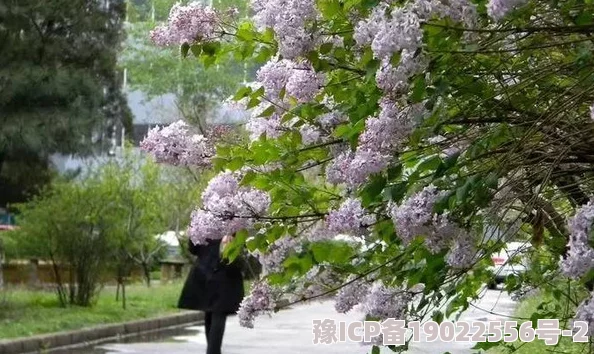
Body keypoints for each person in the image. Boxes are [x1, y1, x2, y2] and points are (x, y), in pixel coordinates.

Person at [178, 235, 244, 354]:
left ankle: (213, 351)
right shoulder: (231, 219)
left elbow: (193, 249)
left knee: (212, 312)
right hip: (221, 271)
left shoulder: (202, 218)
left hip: (206, 270)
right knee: (215, 313)